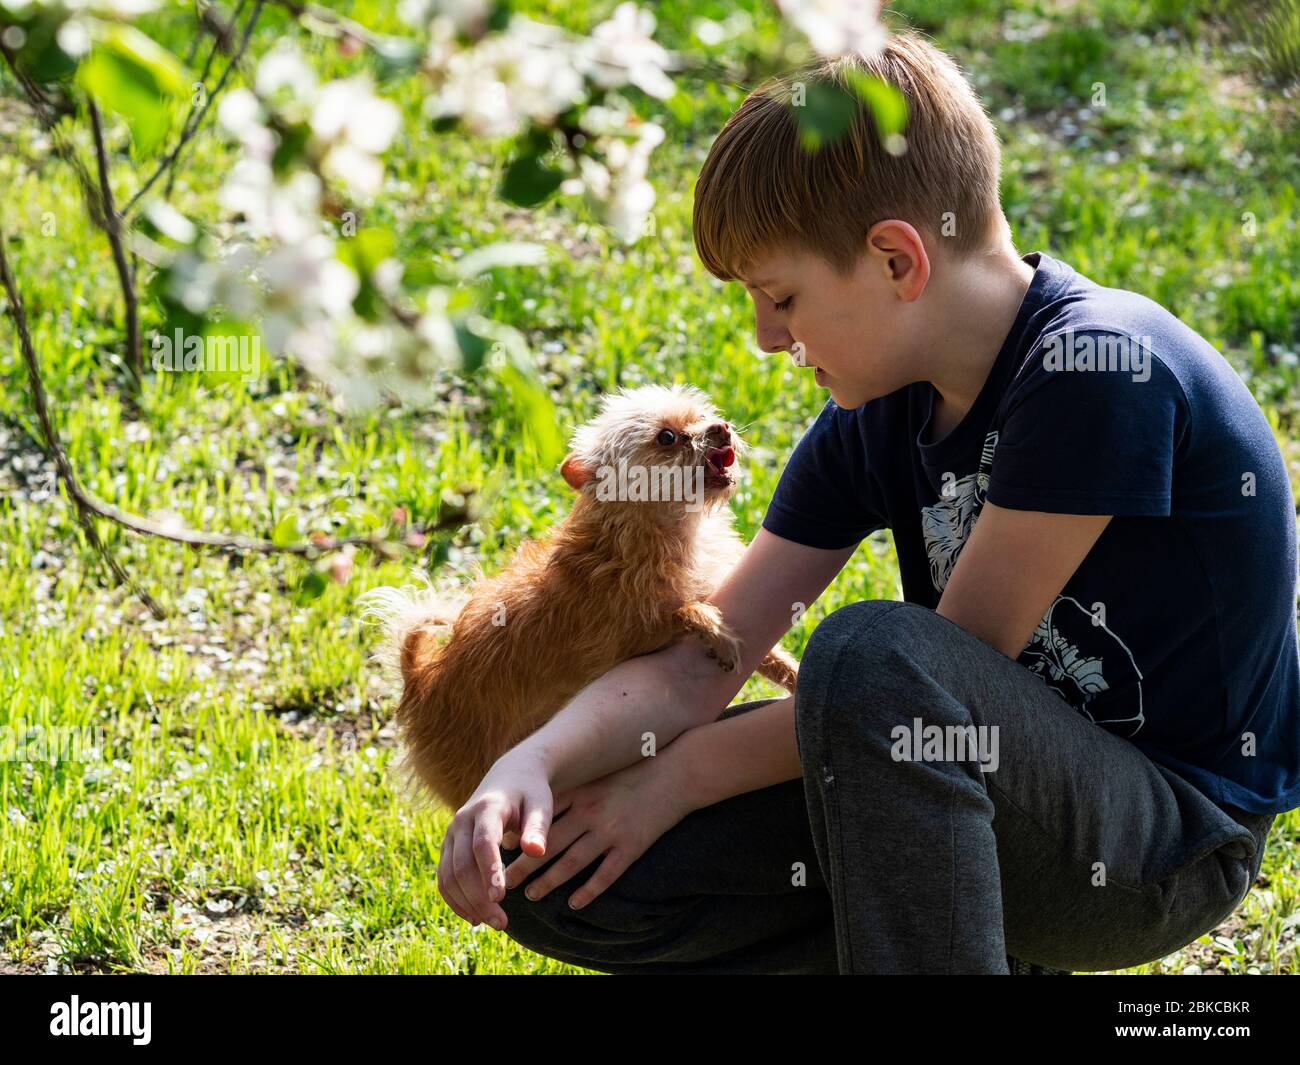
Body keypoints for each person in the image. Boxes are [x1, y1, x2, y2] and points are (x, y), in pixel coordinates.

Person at [433, 28, 1300, 974]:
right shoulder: (878, 413)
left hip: (1157, 843)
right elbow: (704, 656)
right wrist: (535, 765)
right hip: (962, 793)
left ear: (897, 260)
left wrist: (674, 779)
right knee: (555, 871)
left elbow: (935, 676)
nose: (767, 338)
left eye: (782, 297)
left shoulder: (1095, 368)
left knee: (868, 656)